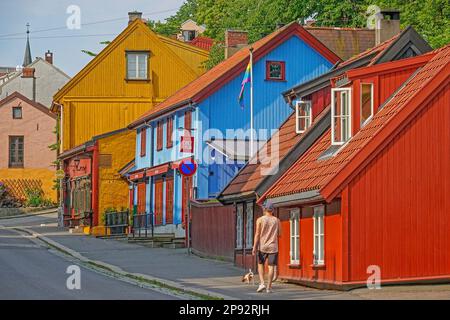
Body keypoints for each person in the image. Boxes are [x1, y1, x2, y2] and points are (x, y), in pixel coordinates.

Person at [252, 200, 281, 293]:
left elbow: (257, 234)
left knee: (260, 264)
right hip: (273, 247)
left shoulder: (260, 220)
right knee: (271, 267)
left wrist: (254, 247)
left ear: (264, 209)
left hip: (263, 246)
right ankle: (269, 287)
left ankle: (262, 283)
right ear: (273, 210)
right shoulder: (277, 220)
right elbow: (280, 234)